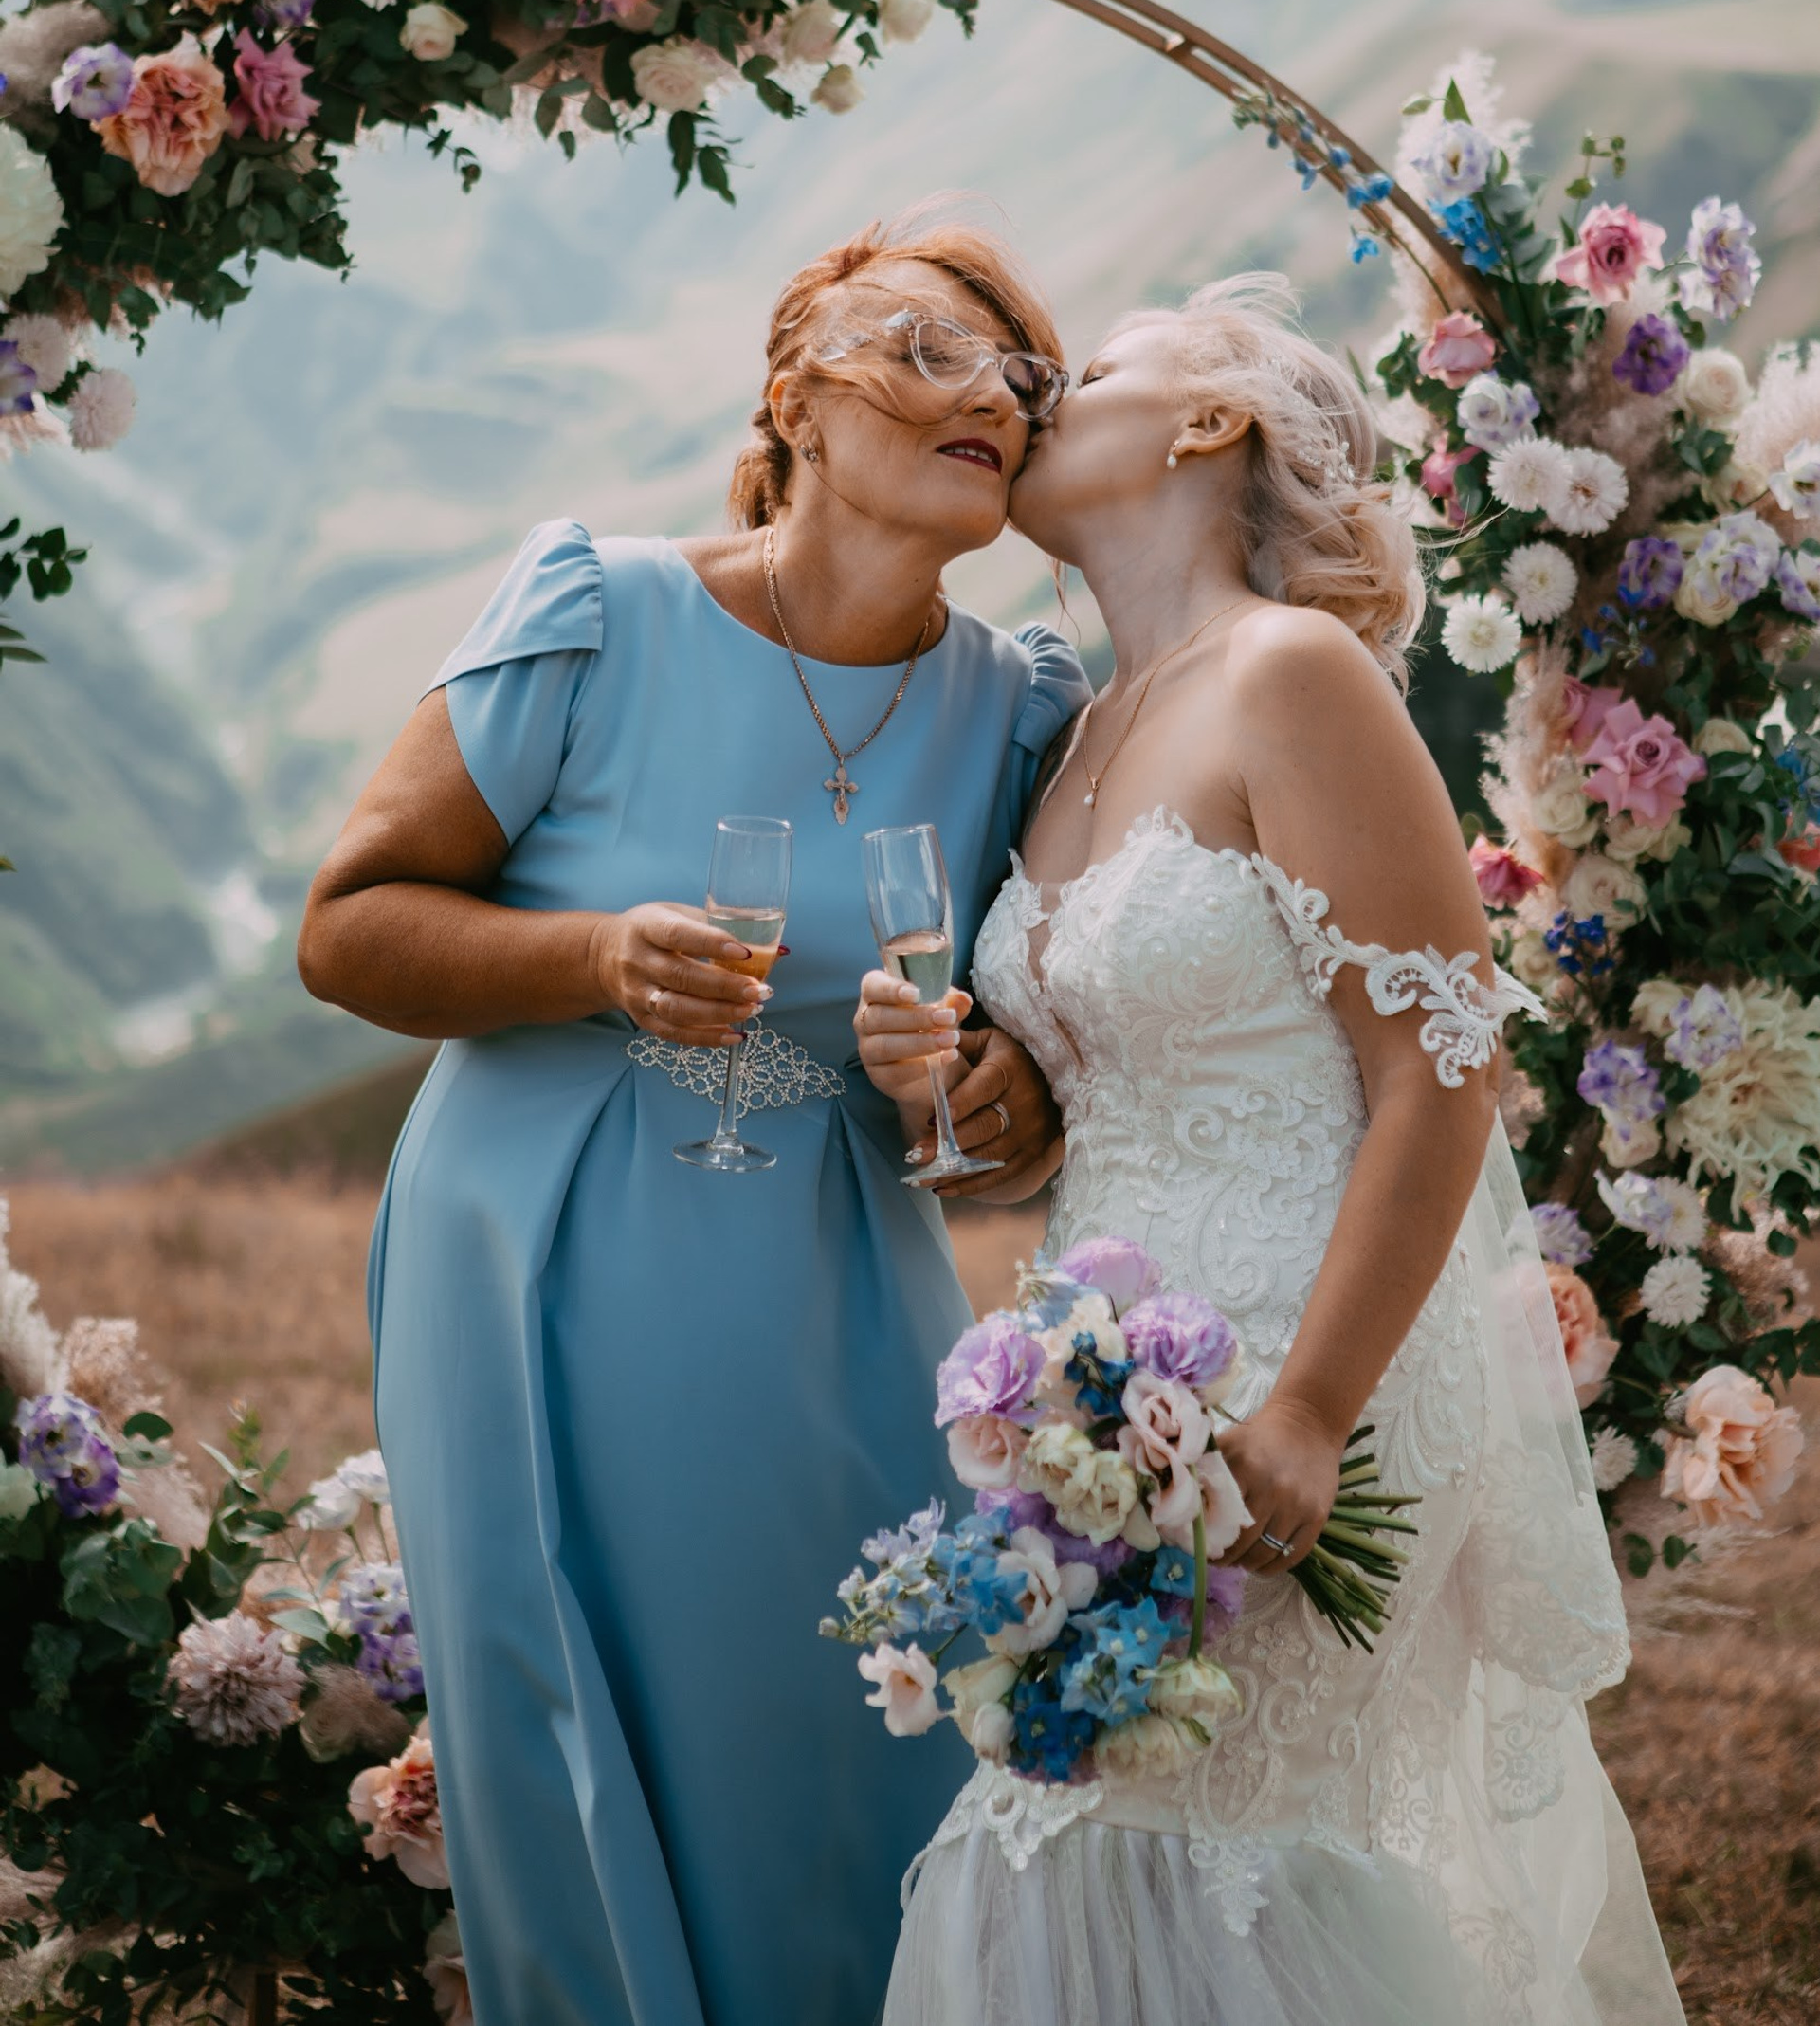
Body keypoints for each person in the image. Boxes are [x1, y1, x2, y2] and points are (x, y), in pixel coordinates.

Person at [856, 276, 1685, 2026]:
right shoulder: (1083, 721)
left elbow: (1441, 1075)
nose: (1029, 395)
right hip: (1104, 1399)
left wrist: (1307, 1409)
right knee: (1081, 1843)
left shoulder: (1290, 674)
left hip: (1317, 1372)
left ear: (1205, 424)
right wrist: (976, 1098)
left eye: (1085, 374)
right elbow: (1103, 1099)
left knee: (1242, 1856)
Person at [296, 212, 1091, 2026]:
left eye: (1020, 382)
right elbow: (347, 925)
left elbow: (1026, 1111)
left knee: (875, 1724)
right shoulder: (600, 606)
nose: (988, 397)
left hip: (837, 1282)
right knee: (580, 1733)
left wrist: (982, 1086)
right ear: (796, 389)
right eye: (927, 348)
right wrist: (590, 953)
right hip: (538, 1256)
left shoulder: (1019, 713)